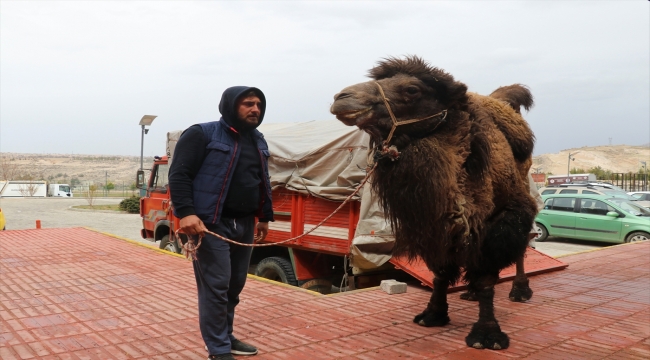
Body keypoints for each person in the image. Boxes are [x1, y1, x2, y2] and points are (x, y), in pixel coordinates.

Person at [169, 86, 274, 360]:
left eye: (259, 104)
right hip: (211, 223)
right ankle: (218, 348)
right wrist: (186, 213)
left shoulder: (258, 139)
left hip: (245, 224)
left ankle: (226, 336)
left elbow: (262, 180)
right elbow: (179, 175)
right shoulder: (201, 134)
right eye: (248, 104)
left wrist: (263, 216)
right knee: (216, 286)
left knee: (235, 285)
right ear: (230, 106)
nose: (255, 109)